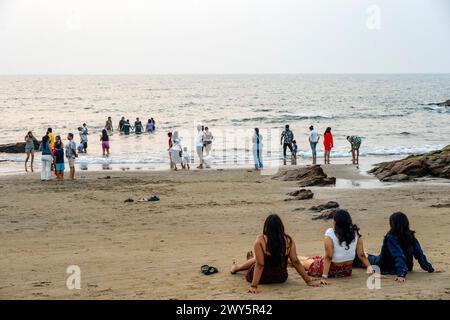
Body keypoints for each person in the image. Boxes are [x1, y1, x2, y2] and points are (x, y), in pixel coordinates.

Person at [230, 214, 327, 293]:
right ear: (281, 227)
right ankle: (247, 263)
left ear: (266, 227)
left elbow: (260, 265)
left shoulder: (260, 240)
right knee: (258, 260)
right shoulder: (288, 240)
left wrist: (254, 286)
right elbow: (295, 262)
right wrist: (308, 281)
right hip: (281, 277)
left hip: (263, 278)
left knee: (257, 261)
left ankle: (236, 268)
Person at [367, 212, 442, 283]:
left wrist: (401, 274)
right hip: (407, 266)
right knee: (367, 257)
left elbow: (399, 255)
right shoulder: (411, 236)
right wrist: (429, 268)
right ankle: (362, 255)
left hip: (387, 267)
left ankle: (361, 255)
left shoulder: (391, 237)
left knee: (365, 258)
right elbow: (419, 254)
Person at [299, 209, 373, 279]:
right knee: (312, 259)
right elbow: (361, 255)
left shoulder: (330, 234)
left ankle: (290, 258)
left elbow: (329, 257)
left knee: (303, 263)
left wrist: (324, 277)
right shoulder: (356, 232)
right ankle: (294, 257)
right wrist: (372, 272)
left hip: (332, 269)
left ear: (335, 222)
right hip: (346, 271)